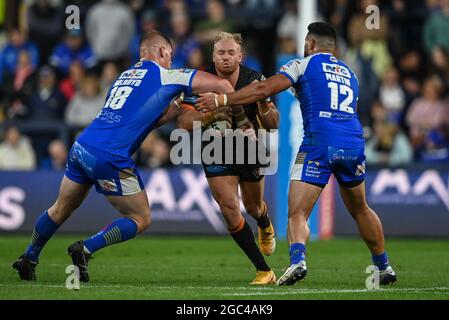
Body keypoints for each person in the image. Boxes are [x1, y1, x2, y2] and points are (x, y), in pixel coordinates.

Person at [12, 31, 237, 283]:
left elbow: (148, 119)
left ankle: (29, 257)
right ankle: (85, 249)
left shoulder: (123, 77)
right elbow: (221, 86)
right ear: (162, 52)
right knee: (141, 218)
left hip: (82, 146)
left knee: (60, 208)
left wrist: (175, 106)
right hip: (110, 156)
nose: (172, 62)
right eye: (171, 56)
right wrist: (227, 104)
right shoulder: (167, 74)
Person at [196, 22, 398, 286]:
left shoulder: (301, 65)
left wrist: (222, 100)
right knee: (360, 208)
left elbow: (263, 89)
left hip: (319, 143)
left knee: (297, 211)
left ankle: (297, 262)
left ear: (311, 44)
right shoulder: (351, 73)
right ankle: (384, 266)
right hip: (352, 144)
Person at [177, 32, 279, 285]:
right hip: (215, 149)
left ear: (240, 56)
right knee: (230, 209)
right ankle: (263, 270)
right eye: (221, 53)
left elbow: (273, 124)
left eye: (230, 53)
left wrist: (263, 102)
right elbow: (184, 123)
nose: (225, 57)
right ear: (213, 56)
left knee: (253, 207)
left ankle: (264, 221)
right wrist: (211, 115)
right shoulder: (199, 80)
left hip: (250, 148)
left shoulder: (254, 79)